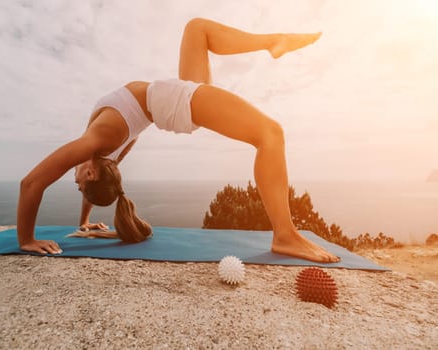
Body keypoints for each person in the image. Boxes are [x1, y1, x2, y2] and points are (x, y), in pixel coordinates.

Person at [17, 18, 340, 263]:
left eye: (79, 185)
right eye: (80, 185)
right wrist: (27, 240)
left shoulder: (103, 153)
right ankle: (285, 234)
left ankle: (273, 42)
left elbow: (64, 182)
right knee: (271, 135)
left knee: (197, 29)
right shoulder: (97, 144)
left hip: (173, 101)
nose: (76, 181)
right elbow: (33, 183)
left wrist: (83, 222)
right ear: (91, 173)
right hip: (174, 101)